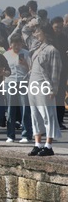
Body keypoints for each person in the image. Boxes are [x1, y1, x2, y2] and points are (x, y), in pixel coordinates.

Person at [26, 22, 63, 156]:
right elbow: (26, 34)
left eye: (38, 32)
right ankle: (38, 144)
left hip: (44, 85)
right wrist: (32, 23)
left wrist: (53, 89)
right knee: (35, 116)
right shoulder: (37, 47)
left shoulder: (52, 50)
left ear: (45, 33)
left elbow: (55, 71)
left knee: (48, 115)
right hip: (33, 85)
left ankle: (48, 145)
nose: (36, 34)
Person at [3, 34, 33, 143]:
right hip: (9, 83)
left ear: (22, 44)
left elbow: (32, 69)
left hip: (23, 82)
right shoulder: (6, 55)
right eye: (14, 44)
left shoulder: (26, 53)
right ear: (11, 44)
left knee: (25, 109)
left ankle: (26, 134)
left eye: (19, 44)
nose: (17, 46)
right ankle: (10, 135)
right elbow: (3, 70)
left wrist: (25, 64)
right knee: (10, 110)